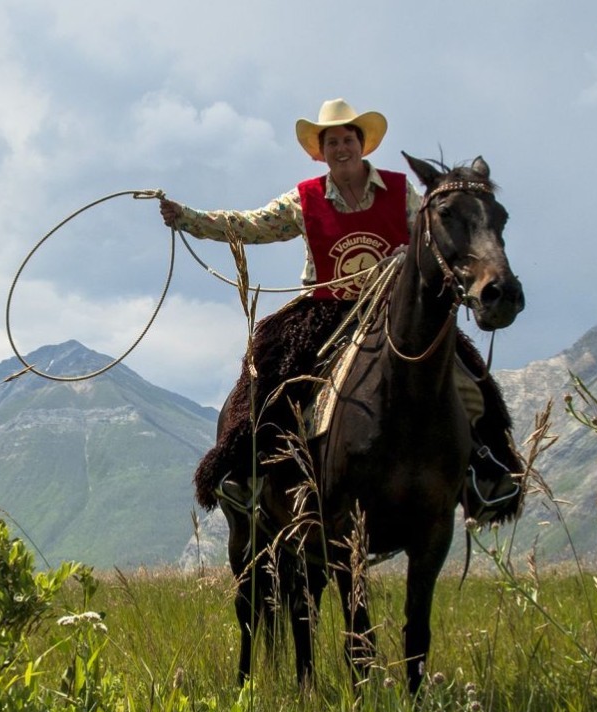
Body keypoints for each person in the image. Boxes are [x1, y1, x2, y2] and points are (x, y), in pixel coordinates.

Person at [160, 98, 522, 524]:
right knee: (270, 375)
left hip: (392, 312)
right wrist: (187, 218)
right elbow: (251, 225)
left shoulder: (400, 192)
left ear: (361, 145)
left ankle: (488, 470)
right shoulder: (304, 199)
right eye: (332, 142)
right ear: (321, 151)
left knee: (468, 374)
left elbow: (434, 238)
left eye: (348, 139)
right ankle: (247, 469)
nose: (341, 148)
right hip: (325, 312)